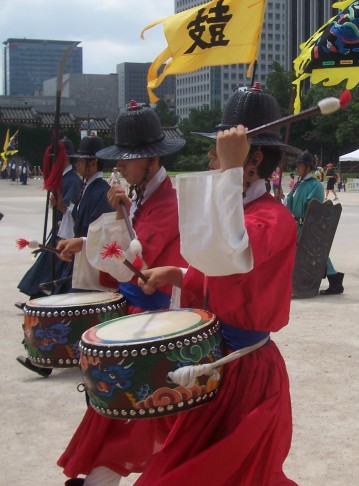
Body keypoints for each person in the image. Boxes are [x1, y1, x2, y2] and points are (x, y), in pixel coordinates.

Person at [60, 85, 298, 485]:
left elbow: (228, 254)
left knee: (220, 472)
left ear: (252, 159)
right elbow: (219, 272)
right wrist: (180, 275)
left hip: (243, 370)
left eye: (216, 155)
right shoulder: (243, 212)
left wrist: (230, 170)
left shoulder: (272, 218)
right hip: (212, 358)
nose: (210, 160)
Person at [57, 103, 188, 483]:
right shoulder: (146, 195)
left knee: (129, 413)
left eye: (130, 160)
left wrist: (92, 240)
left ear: (153, 158)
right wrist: (98, 233)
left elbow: (134, 259)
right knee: (126, 414)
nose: (123, 167)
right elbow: (128, 253)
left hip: (152, 322)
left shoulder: (168, 203)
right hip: (137, 316)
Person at [16, 136, 114, 378]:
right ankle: (43, 356)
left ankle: (46, 358)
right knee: (63, 313)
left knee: (66, 315)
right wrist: (62, 210)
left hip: (88, 264)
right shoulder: (88, 188)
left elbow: (99, 232)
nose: (77, 165)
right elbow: (75, 222)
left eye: (80, 161)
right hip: (77, 258)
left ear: (91, 164)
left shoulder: (101, 192)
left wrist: (77, 245)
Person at [16, 138, 82, 300]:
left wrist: (60, 206)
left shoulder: (72, 180)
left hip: (66, 232)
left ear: (65, 158)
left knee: (54, 267)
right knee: (47, 265)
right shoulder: (64, 178)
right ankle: (37, 295)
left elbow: (73, 210)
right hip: (59, 229)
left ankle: (41, 296)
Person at [286, 150, 344, 295]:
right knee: (306, 253)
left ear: (307, 167)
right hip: (298, 225)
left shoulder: (315, 185)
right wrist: (285, 198)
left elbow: (313, 207)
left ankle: (334, 278)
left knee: (316, 253)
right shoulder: (299, 184)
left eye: (300, 165)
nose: (297, 168)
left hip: (308, 225)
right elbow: (291, 204)